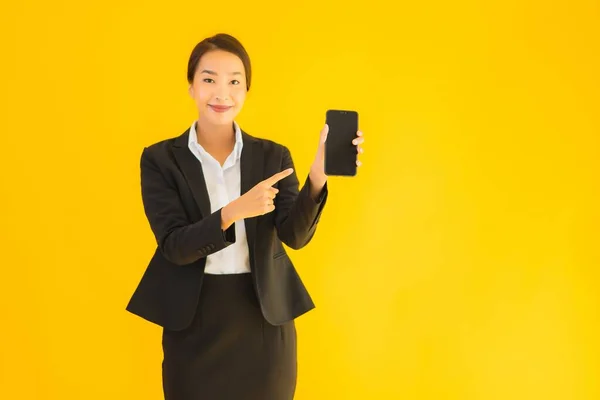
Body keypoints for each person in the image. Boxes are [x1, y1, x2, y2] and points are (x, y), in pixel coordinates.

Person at [125, 33, 365, 400]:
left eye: (234, 81)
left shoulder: (273, 156)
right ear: (191, 86)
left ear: (247, 89)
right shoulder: (160, 160)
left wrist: (318, 177)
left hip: (264, 322)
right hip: (194, 322)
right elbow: (174, 245)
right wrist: (234, 211)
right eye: (209, 80)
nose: (222, 93)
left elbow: (295, 236)